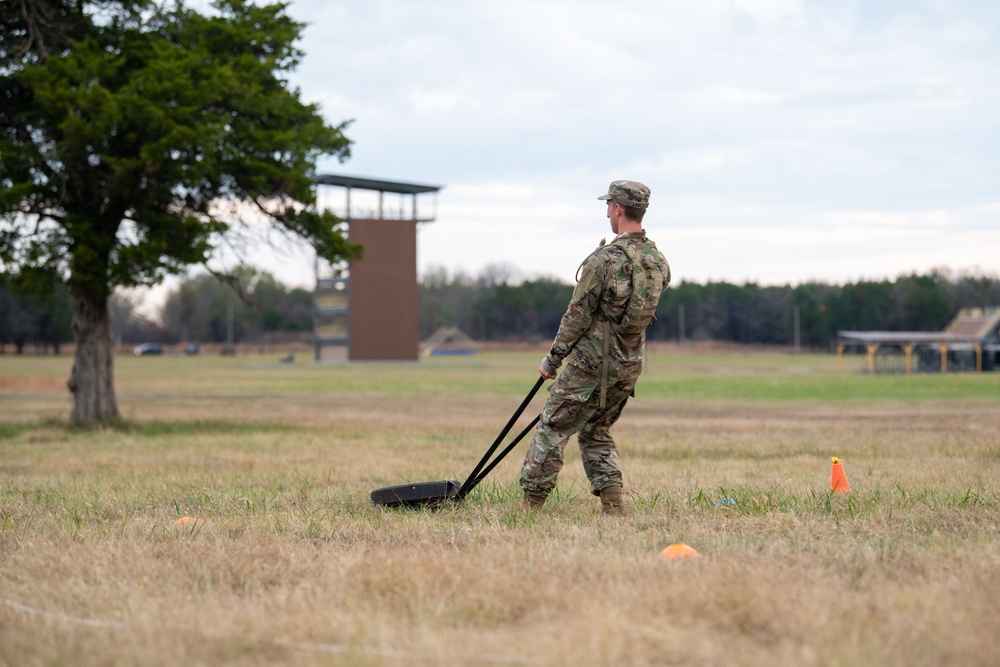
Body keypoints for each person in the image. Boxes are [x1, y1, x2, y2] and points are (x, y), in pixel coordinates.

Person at [518, 180, 670, 515]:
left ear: (618, 208)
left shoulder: (603, 261)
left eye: (608, 206)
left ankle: (530, 509)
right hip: (628, 366)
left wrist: (552, 360)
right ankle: (614, 509)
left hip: (590, 364)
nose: (606, 213)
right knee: (596, 430)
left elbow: (577, 316)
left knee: (552, 427)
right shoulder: (658, 262)